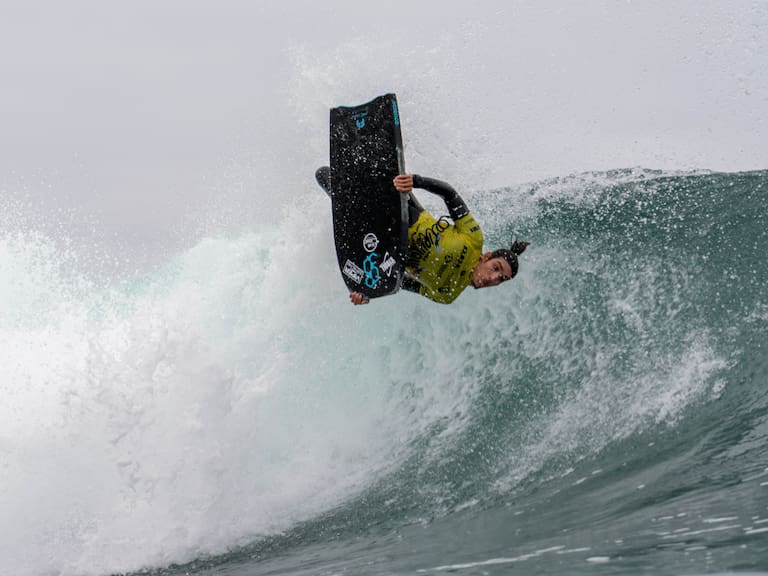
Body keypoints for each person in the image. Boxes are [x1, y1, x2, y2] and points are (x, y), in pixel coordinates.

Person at [315, 167, 529, 305]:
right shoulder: (474, 239)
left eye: (500, 280)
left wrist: (367, 292)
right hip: (404, 212)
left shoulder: (447, 294)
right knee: (341, 177)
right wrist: (416, 181)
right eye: (496, 268)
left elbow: (399, 283)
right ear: (487, 257)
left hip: (384, 246)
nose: (492, 278)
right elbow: (450, 194)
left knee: (330, 184)